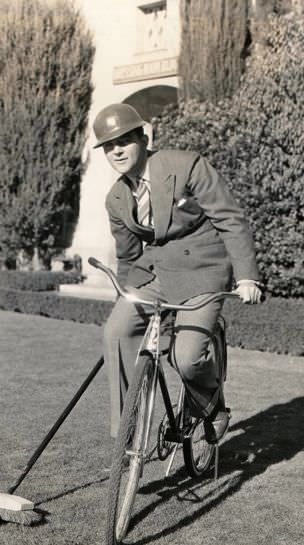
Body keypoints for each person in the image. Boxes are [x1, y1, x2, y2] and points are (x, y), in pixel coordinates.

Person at [93, 103, 262, 443]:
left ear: (143, 137)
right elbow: (128, 257)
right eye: (109, 145)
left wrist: (247, 277)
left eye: (124, 140)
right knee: (116, 330)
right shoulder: (116, 199)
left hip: (203, 267)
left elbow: (230, 219)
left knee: (187, 357)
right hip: (155, 272)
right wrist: (122, 303)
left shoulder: (186, 165)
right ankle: (126, 439)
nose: (117, 150)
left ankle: (212, 407)